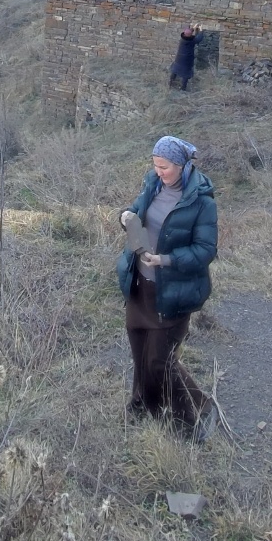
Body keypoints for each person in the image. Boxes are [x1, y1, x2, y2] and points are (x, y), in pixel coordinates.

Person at [117, 135, 219, 441]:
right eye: (155, 165)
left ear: (181, 165)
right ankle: (141, 405)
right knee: (141, 354)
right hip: (140, 286)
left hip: (173, 292)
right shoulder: (152, 184)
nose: (158, 171)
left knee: (159, 361)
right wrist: (125, 217)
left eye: (164, 167)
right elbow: (135, 212)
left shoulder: (201, 202)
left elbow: (205, 250)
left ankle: (187, 422)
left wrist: (166, 259)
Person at [169, 24, 204, 91]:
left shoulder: (182, 39)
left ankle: (170, 83)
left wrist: (193, 28)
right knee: (185, 74)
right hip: (187, 61)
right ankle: (183, 88)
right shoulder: (192, 41)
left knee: (175, 70)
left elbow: (188, 34)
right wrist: (201, 30)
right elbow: (199, 39)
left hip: (179, 59)